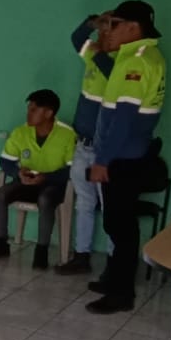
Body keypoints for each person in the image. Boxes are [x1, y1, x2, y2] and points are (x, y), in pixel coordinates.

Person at [83, 0, 168, 314]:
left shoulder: (137, 61)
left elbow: (123, 119)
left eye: (115, 24)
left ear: (133, 27)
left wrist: (102, 160)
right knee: (117, 223)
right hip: (128, 154)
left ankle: (121, 293)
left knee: (121, 227)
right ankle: (114, 281)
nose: (110, 30)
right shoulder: (140, 56)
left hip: (122, 157)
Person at [0, 88, 76, 268]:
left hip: (53, 185)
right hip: (26, 182)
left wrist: (46, 177)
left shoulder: (67, 134)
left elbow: (72, 170)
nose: (28, 113)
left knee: (46, 199)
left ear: (48, 113)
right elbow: (5, 161)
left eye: (34, 110)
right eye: (29, 109)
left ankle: (41, 251)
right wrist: (18, 173)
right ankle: (1, 244)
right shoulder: (21, 132)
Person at [53, 14, 114, 276]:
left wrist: (100, 51)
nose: (100, 37)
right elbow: (77, 38)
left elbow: (110, 72)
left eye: (107, 31)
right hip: (83, 144)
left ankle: (113, 262)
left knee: (111, 207)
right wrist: (92, 22)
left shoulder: (122, 63)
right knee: (84, 204)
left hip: (106, 150)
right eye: (99, 32)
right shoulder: (93, 54)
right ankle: (82, 255)